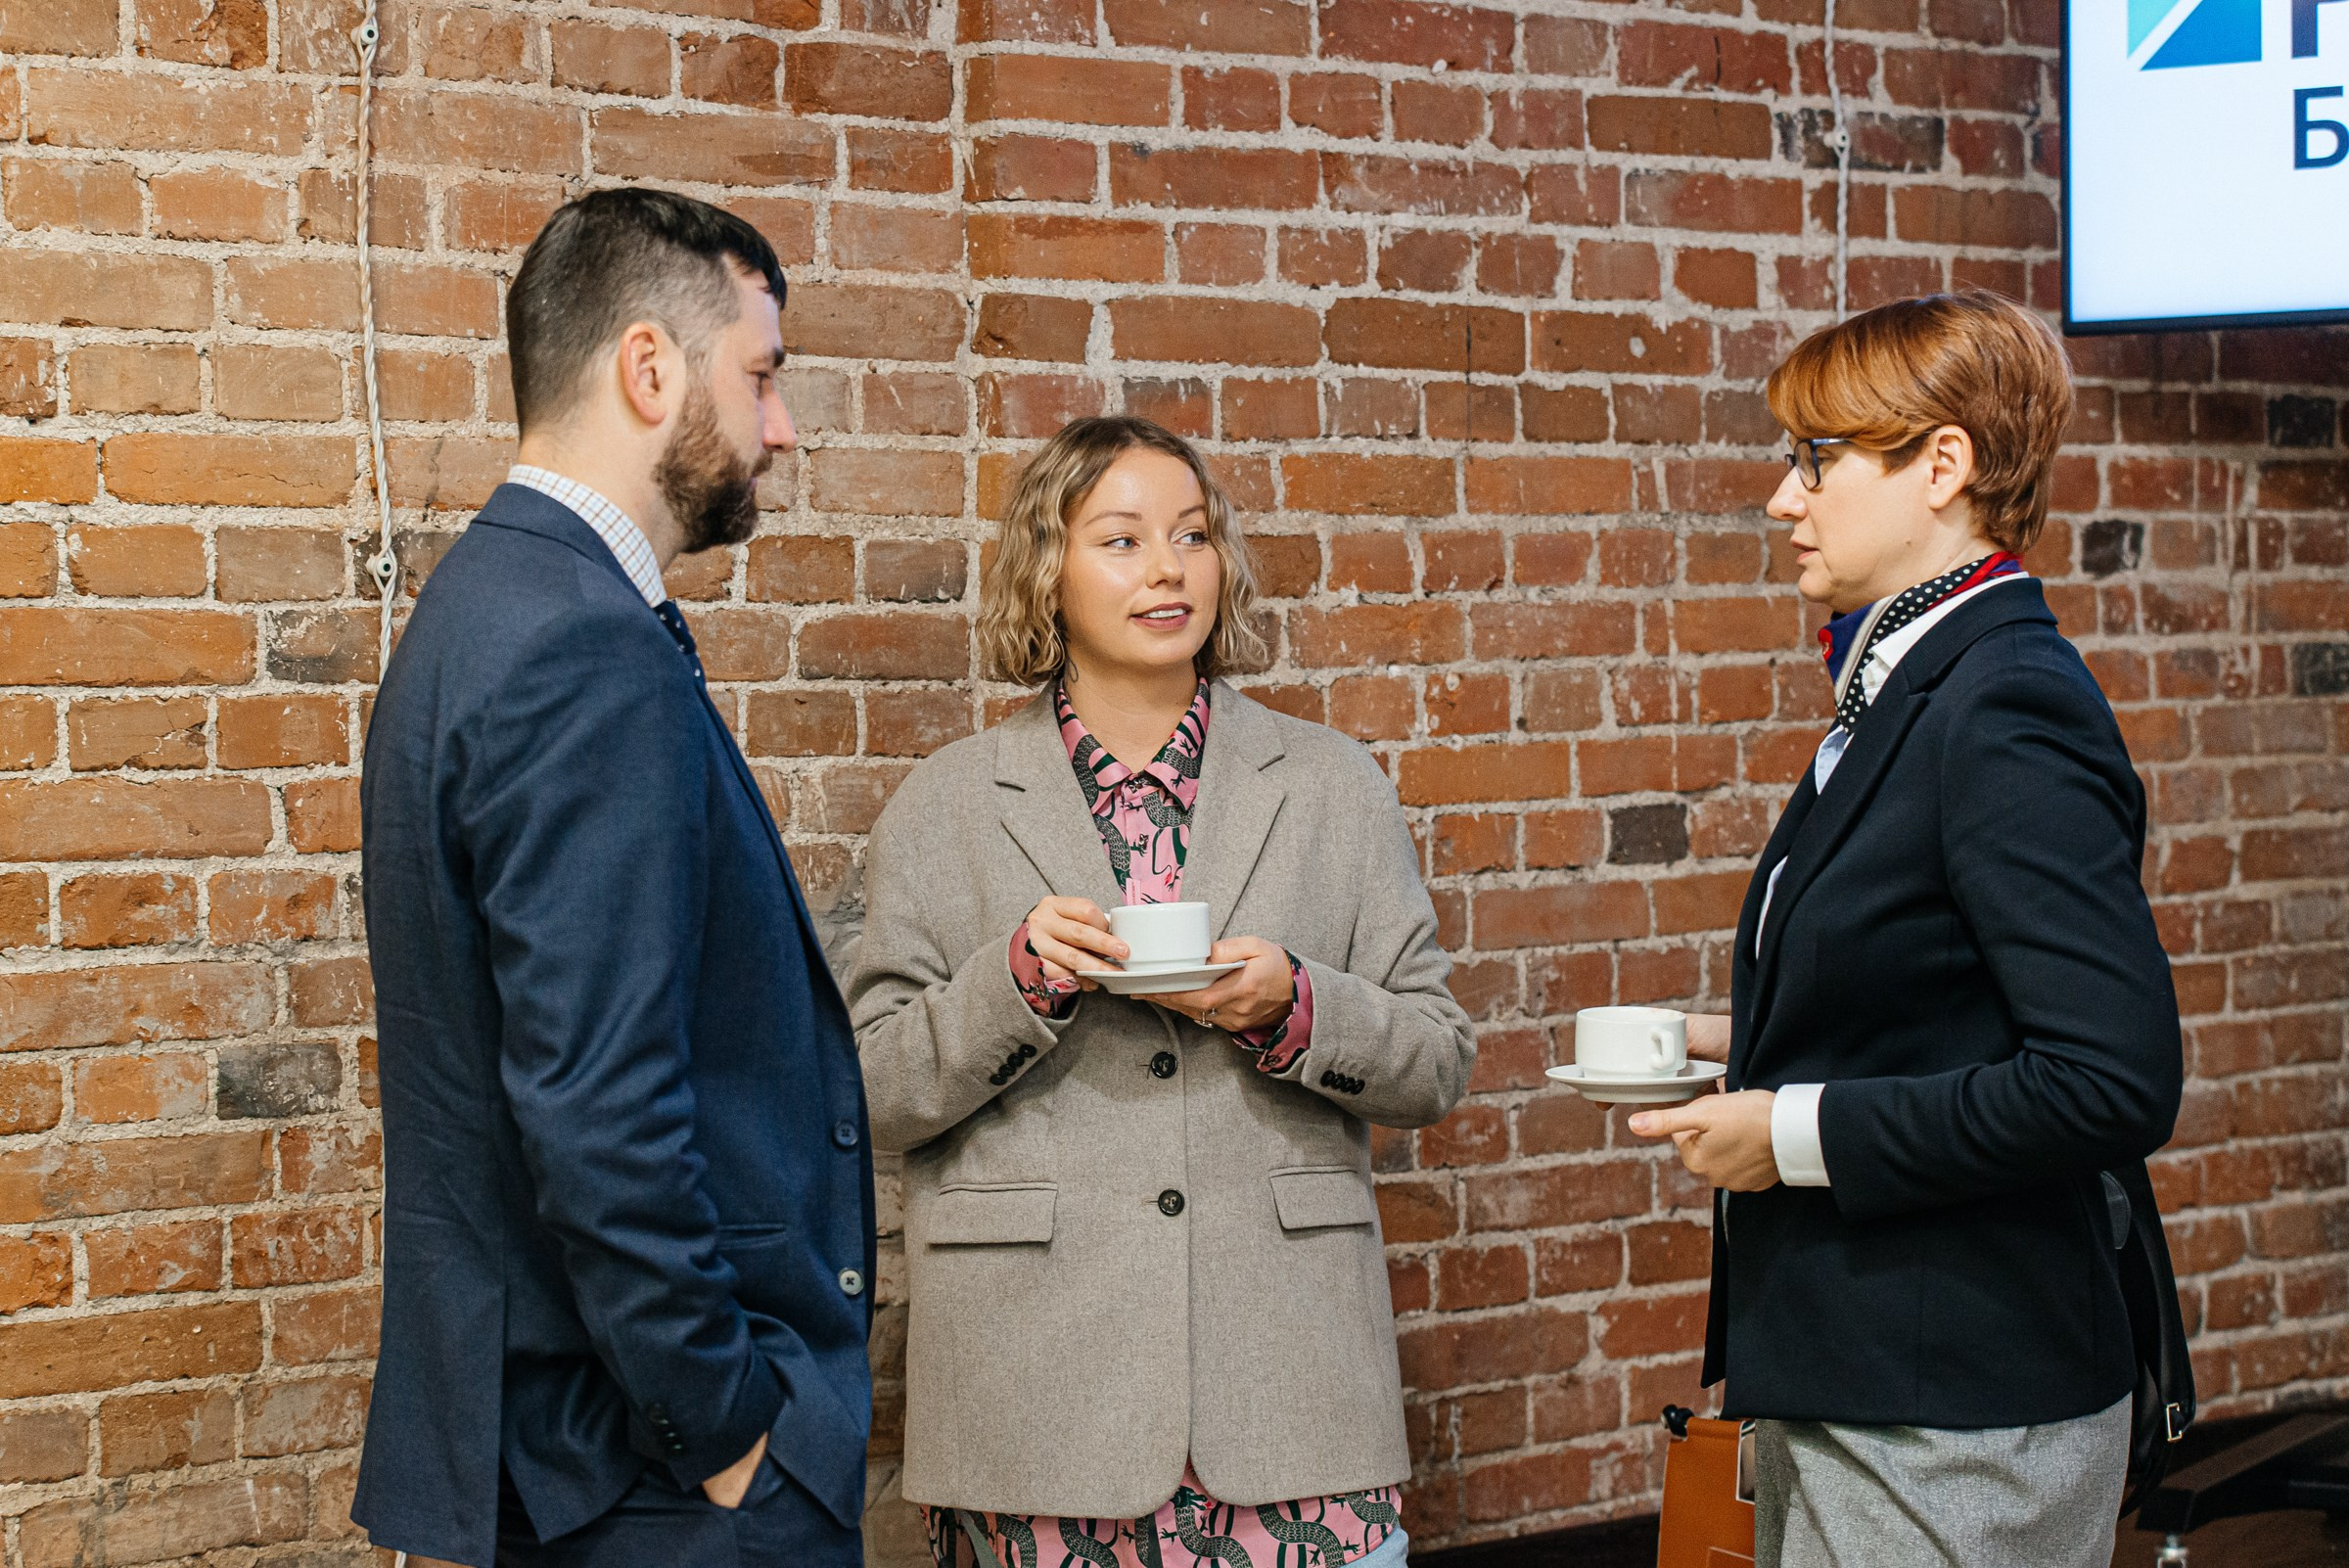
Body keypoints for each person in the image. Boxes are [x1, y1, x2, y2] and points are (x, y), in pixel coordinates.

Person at [848, 416, 1474, 1568]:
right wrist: (1018, 984)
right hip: (1035, 1401)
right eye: (1122, 539)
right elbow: (868, 1091)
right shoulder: (942, 808)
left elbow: (1436, 1058)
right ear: (1049, 570)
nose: (1168, 568)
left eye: (1192, 536)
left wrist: (1292, 1005)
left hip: (1291, 1393)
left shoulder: (1333, 788)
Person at [354, 189, 873, 1568]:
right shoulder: (580, 643)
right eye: (760, 375)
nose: (782, 427)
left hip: (565, 1457)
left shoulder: (486, 605)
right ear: (650, 367)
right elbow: (597, 1103)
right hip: (648, 1481)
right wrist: (729, 1431)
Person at [1627, 292, 2184, 1568]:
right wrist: (1732, 1034)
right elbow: (1943, 992)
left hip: (1956, 1411)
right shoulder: (1910, 689)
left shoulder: (2001, 705)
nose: (1784, 497)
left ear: (1945, 466)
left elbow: (2111, 1079)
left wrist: (1793, 1133)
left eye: (1818, 459)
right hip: (1868, 1382)